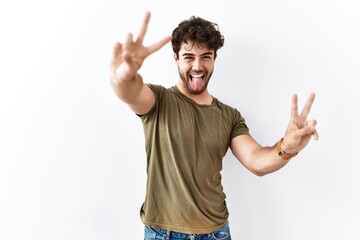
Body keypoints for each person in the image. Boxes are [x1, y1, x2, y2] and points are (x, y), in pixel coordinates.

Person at [110, 11, 318, 240]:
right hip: (163, 233)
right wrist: (123, 74)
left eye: (206, 56)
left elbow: (257, 161)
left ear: (214, 59)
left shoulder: (229, 116)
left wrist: (287, 148)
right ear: (176, 59)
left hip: (216, 233)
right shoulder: (158, 101)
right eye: (189, 57)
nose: (197, 66)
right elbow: (128, 90)